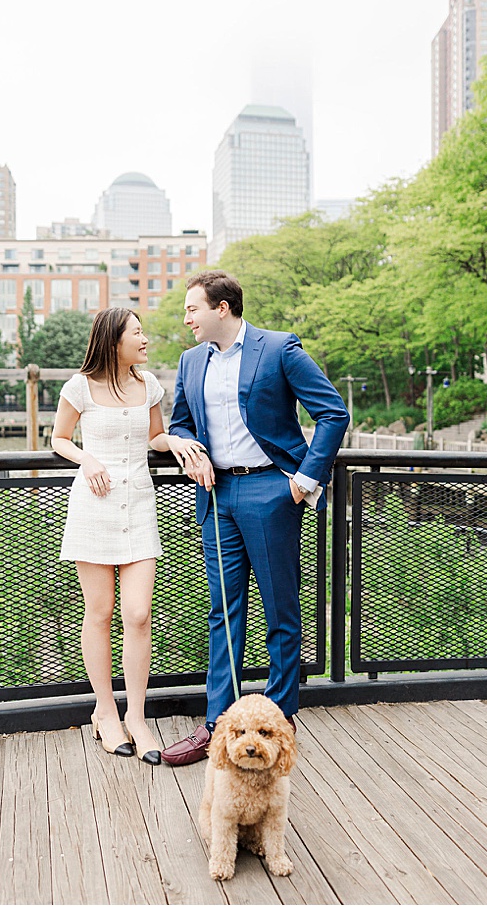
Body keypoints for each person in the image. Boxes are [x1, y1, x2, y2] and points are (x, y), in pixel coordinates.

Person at [158, 271, 350, 768]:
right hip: (216, 493)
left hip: (271, 490)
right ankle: (217, 727)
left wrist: (304, 480)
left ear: (222, 309)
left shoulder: (279, 349)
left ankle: (278, 726)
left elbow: (333, 412)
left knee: (281, 614)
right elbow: (179, 420)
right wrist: (185, 447)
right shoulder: (190, 360)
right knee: (223, 612)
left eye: (192, 309)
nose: (187, 318)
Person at [51, 307, 180, 761]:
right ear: (114, 342)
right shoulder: (80, 386)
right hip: (94, 507)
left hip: (140, 507)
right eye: (138, 334)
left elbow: (155, 437)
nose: (145, 341)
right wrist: (88, 460)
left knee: (139, 614)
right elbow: (60, 438)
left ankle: (137, 717)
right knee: (100, 610)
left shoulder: (149, 386)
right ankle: (105, 712)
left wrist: (177, 444)